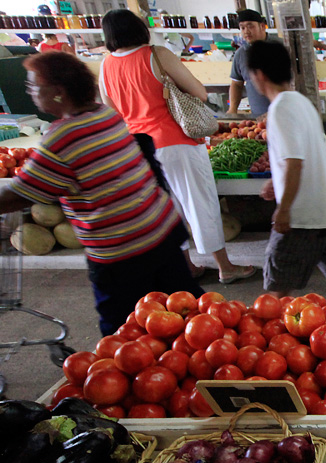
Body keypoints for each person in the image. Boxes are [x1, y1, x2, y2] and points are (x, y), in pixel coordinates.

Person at [0, 52, 203, 335]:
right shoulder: (105, 114)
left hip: (122, 250)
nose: (31, 92)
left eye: (33, 86)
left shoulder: (62, 137)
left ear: (58, 92)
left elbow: (20, 194)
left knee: (124, 333)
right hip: (162, 230)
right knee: (190, 318)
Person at [99, 9, 255, 285]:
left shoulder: (106, 65)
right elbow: (199, 92)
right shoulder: (157, 54)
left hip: (139, 148)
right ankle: (225, 267)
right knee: (200, 204)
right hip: (175, 142)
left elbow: (112, 111)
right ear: (139, 29)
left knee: (167, 211)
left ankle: (188, 267)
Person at [245, 40, 326, 301]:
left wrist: (284, 208)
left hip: (300, 214)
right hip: (322, 206)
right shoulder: (301, 103)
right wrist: (276, 183)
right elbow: (302, 155)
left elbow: (295, 162)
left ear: (259, 75)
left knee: (279, 274)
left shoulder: (280, 109)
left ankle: (270, 324)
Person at [228, 10, 273, 117]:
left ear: (262, 26)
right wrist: (233, 109)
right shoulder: (240, 54)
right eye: (242, 28)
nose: (246, 31)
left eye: (250, 26)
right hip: (258, 119)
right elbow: (236, 84)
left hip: (284, 115)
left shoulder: (280, 48)